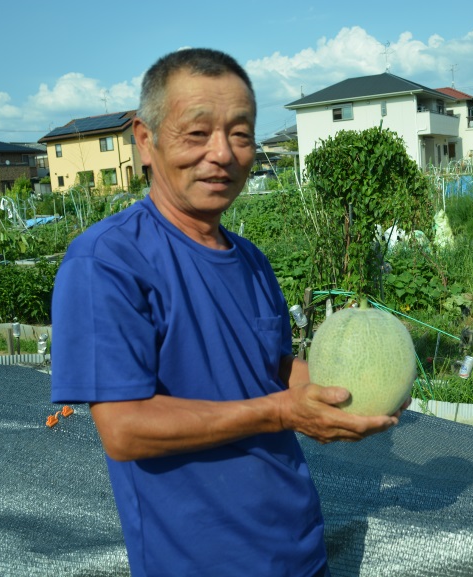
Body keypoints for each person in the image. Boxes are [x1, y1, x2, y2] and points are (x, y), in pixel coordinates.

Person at [50, 48, 407, 577]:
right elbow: (125, 428)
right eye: (196, 133)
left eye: (240, 134)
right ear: (144, 140)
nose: (222, 153)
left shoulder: (252, 261)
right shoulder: (107, 261)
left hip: (298, 551)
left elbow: (272, 368)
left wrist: (358, 390)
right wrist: (283, 413)